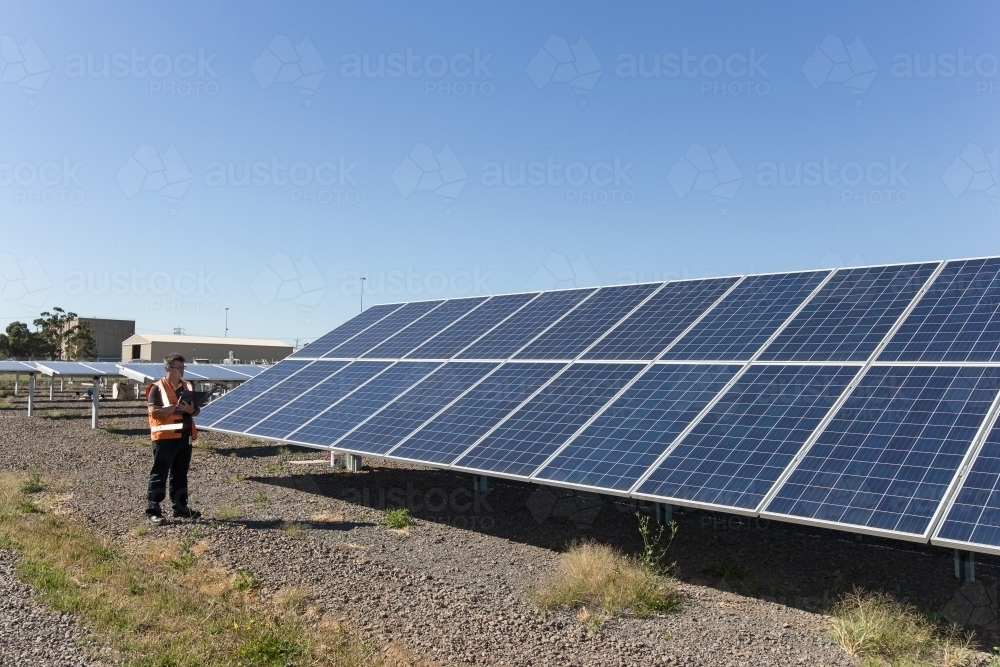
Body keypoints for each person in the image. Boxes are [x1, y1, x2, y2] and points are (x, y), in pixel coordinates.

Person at [145, 353, 201, 525]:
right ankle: (153, 510)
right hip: (165, 437)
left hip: (185, 437)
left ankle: (180, 507)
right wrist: (170, 409)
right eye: (179, 368)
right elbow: (153, 412)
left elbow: (196, 411)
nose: (182, 371)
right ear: (169, 368)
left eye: (184, 368)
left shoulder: (188, 386)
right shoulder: (157, 387)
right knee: (159, 474)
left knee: (180, 474)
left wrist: (191, 409)